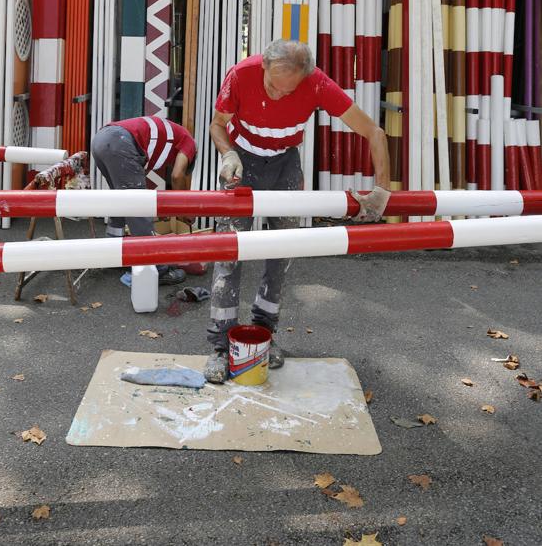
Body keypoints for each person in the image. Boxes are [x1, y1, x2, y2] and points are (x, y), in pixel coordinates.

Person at [204, 39, 391, 382]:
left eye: (287, 91)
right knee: (228, 248)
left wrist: (382, 188)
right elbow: (218, 124)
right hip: (242, 158)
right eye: (273, 86)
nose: (277, 96)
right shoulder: (241, 73)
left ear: (305, 78)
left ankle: (265, 334)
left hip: (285, 164)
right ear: (263, 68)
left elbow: (374, 132)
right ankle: (219, 345)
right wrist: (227, 153)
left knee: (281, 252)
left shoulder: (317, 82)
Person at [91, 116, 197, 285]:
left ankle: (114, 254)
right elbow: (177, 176)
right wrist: (184, 211)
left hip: (101, 140)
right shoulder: (189, 142)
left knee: (120, 200)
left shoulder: (163, 140)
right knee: (139, 206)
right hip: (120, 142)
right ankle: (155, 268)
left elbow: (136, 177)